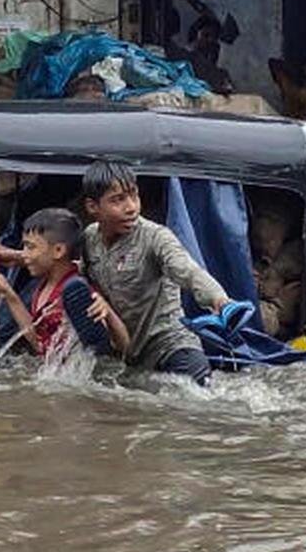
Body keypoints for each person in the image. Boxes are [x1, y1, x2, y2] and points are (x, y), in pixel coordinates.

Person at [82, 161, 230, 385]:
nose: (131, 207)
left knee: (201, 398)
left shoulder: (155, 237)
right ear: (93, 207)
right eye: (118, 200)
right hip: (127, 354)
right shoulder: (89, 239)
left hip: (171, 345)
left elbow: (187, 270)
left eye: (134, 196)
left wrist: (219, 300)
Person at [0, 208, 129, 358]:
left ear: (58, 250)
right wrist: (9, 294)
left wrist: (107, 312)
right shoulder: (42, 287)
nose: (24, 254)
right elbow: (39, 343)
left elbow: (122, 345)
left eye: (30, 247)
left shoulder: (78, 291)